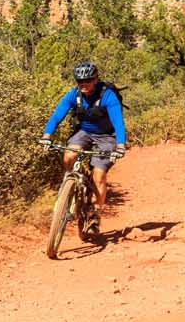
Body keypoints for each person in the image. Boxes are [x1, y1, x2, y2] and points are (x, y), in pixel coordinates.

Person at [41, 61, 128, 232]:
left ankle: (95, 214)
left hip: (106, 137)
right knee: (69, 155)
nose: (84, 85)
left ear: (96, 79)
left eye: (88, 81)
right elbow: (57, 115)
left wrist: (120, 145)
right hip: (84, 132)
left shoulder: (107, 95)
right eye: (80, 82)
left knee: (99, 175)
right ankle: (70, 184)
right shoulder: (74, 95)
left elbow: (118, 122)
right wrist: (46, 135)